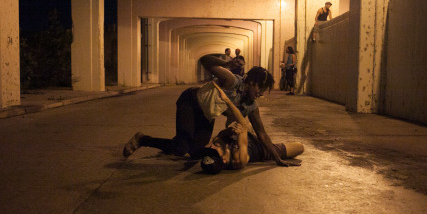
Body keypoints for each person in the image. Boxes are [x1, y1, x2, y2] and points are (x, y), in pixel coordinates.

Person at [123, 55, 297, 167]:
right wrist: (227, 63)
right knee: (181, 148)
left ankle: (177, 141)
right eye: (261, 88)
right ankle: (142, 139)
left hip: (207, 114)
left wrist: (277, 158)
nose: (261, 93)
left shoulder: (251, 106)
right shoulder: (231, 80)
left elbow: (262, 134)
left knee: (195, 152)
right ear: (251, 82)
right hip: (191, 102)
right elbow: (205, 60)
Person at [199, 83, 304, 174]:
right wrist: (226, 100)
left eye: (210, 150)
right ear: (224, 160)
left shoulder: (215, 145)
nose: (212, 146)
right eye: (214, 151)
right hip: (259, 147)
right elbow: (243, 126)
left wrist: (229, 131)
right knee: (299, 147)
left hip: (244, 134)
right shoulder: (239, 159)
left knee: (238, 125)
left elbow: (221, 134)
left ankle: (245, 130)